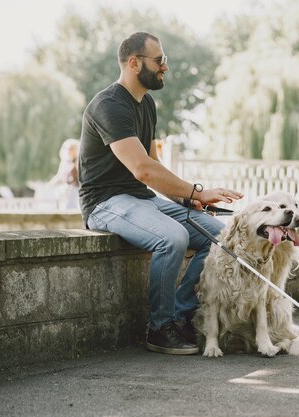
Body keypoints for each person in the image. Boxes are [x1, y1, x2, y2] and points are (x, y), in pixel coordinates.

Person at [78, 32, 243, 355]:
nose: (165, 66)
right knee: (172, 237)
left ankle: (181, 319)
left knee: (220, 237)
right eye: (160, 60)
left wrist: (188, 198)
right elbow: (142, 169)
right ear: (134, 62)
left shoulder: (146, 103)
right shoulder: (108, 106)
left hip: (141, 199)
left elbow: (153, 164)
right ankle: (159, 327)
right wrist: (199, 190)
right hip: (105, 202)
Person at [47, 138, 80, 209]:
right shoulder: (65, 162)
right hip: (66, 189)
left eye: (71, 149)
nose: (68, 151)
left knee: (71, 207)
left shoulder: (78, 161)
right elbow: (59, 175)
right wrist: (49, 185)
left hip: (75, 189)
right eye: (68, 149)